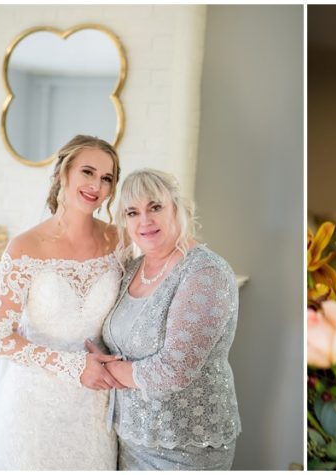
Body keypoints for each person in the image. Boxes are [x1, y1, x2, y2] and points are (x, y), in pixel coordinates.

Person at [0, 135, 123, 469]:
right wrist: (74, 367)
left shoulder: (118, 240)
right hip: (33, 405)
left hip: (93, 405)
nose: (96, 185)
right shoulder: (25, 247)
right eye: (88, 172)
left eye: (106, 178)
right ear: (64, 172)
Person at [98, 169, 241, 470]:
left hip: (186, 445)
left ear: (177, 207)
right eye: (133, 212)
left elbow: (174, 370)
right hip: (129, 437)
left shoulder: (205, 272)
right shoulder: (133, 268)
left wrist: (109, 371)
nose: (144, 221)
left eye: (155, 207)